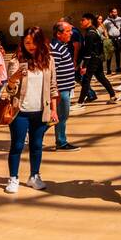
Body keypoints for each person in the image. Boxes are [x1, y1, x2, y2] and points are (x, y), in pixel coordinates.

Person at [3, 27, 59, 194]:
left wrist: (54, 110)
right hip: (20, 112)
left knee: (36, 145)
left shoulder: (49, 60)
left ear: (41, 42)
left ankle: (34, 176)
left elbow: (53, 87)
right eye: (27, 42)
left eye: (34, 42)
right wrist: (14, 78)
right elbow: (10, 90)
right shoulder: (16, 61)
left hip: (41, 111)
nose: (31, 46)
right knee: (17, 145)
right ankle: (13, 178)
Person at [77, 11, 118, 105]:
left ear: (89, 21)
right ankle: (113, 95)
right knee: (101, 77)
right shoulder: (93, 31)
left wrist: (84, 66)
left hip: (92, 60)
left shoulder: (90, 34)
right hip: (97, 59)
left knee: (86, 80)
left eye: (83, 20)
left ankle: (80, 102)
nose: (81, 22)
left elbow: (88, 51)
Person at [49, 20, 78, 151]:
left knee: (61, 117)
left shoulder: (61, 46)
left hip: (65, 88)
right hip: (61, 90)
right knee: (60, 117)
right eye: (67, 31)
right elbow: (52, 73)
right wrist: (57, 91)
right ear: (58, 34)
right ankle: (61, 142)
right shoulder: (55, 49)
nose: (71, 33)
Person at [103, 7, 121, 74]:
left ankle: (118, 67)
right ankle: (108, 69)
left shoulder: (120, 19)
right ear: (110, 13)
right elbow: (103, 31)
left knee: (118, 53)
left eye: (116, 12)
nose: (116, 13)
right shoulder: (106, 22)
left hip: (118, 39)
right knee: (110, 54)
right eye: (114, 12)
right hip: (111, 39)